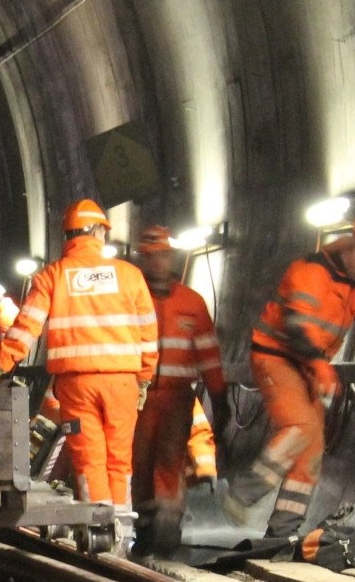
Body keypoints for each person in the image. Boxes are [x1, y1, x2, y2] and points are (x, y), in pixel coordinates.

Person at [224, 219, 355, 538]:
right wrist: (318, 364)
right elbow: (297, 326)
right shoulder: (309, 272)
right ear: (354, 247)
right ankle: (244, 493)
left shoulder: (354, 289)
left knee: (311, 446)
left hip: (307, 366)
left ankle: (280, 533)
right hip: (278, 359)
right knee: (301, 427)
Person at [0, 199, 157, 545]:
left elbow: (25, 328)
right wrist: (144, 378)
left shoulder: (52, 275)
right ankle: (122, 531)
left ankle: (100, 527)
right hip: (122, 381)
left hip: (77, 386)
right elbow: (148, 332)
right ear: (96, 231)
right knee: (119, 457)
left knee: (89, 457)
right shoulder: (129, 275)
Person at [129, 225, 227, 558]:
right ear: (143, 259)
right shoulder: (129, 298)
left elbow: (209, 355)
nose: (159, 263)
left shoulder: (192, 303)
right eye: (152, 257)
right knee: (140, 464)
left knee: (169, 462)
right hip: (137, 397)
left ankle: (168, 528)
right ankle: (144, 529)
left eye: (164, 256)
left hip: (176, 399)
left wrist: (219, 396)